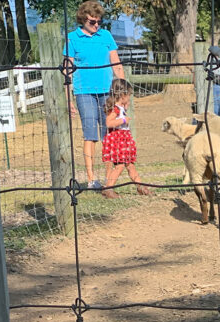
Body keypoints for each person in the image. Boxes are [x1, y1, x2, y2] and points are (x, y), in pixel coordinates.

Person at [63, 1, 125, 191]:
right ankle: (91, 179)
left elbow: (116, 64)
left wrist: (122, 94)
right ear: (83, 20)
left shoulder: (105, 36)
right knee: (90, 135)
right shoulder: (72, 38)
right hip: (84, 93)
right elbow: (67, 70)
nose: (96, 25)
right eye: (92, 22)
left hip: (107, 92)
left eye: (99, 21)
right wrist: (68, 99)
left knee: (109, 134)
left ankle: (109, 180)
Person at [99, 79, 151, 199]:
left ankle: (140, 187)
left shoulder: (120, 107)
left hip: (124, 140)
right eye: (128, 95)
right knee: (120, 165)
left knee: (130, 165)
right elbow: (108, 123)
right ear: (122, 95)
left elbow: (123, 109)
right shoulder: (115, 109)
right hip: (118, 140)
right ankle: (108, 188)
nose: (129, 98)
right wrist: (123, 120)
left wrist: (125, 107)